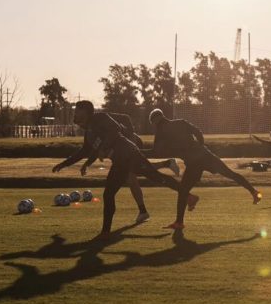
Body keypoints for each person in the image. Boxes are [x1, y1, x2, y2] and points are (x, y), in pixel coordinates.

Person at [52, 101, 192, 240]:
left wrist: (104, 147)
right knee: (108, 194)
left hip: (130, 154)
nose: (75, 114)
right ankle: (105, 232)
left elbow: (115, 128)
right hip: (120, 162)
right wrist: (64, 164)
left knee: (156, 177)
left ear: (86, 112)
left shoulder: (100, 118)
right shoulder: (89, 132)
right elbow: (85, 151)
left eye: (77, 111)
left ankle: (188, 196)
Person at [149, 109, 261, 229]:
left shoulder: (161, 132)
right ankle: (254, 192)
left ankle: (180, 221)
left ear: (155, 122)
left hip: (193, 163)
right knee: (230, 173)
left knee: (183, 190)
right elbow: (198, 132)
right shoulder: (180, 122)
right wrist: (201, 147)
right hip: (205, 155)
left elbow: (156, 152)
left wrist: (139, 152)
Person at [107, 112, 179, 223]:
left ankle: (143, 212)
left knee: (132, 177)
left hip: (132, 143)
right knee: (137, 173)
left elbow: (126, 117)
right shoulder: (97, 125)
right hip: (128, 145)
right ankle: (167, 164)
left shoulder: (105, 117)